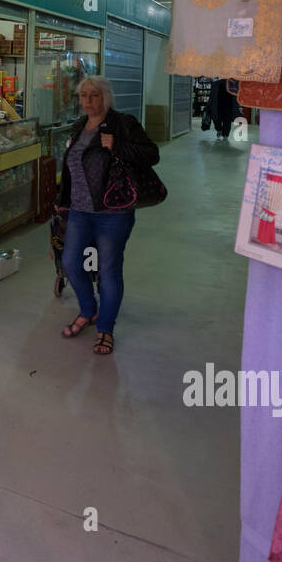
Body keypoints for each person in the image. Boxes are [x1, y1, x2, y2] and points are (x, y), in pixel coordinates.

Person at [57, 75, 159, 355]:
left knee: (110, 270)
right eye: (83, 96)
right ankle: (88, 310)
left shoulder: (123, 123)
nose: (88, 101)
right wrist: (62, 200)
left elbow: (152, 153)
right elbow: (71, 168)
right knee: (70, 262)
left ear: (106, 97)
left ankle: (105, 328)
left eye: (94, 95)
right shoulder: (79, 127)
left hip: (113, 211)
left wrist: (117, 145)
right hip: (79, 210)